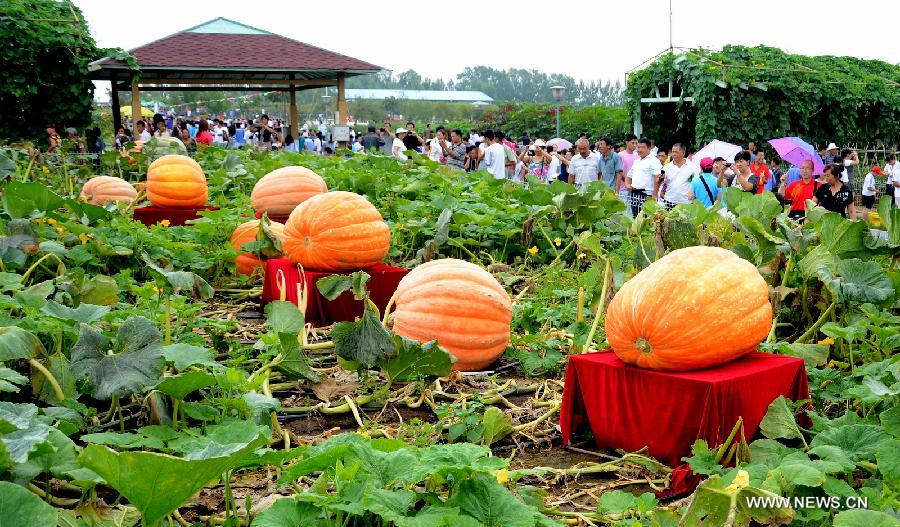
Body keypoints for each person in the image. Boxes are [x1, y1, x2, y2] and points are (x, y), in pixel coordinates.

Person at [625, 138, 662, 216]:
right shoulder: (637, 161)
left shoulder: (654, 161)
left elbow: (657, 178)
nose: (639, 150)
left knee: (647, 222)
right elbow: (628, 176)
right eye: (638, 147)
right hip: (634, 194)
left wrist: (654, 196)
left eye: (642, 147)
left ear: (649, 148)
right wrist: (627, 185)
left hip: (647, 196)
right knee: (636, 220)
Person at [659, 143, 699, 208]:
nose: (673, 154)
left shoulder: (692, 167)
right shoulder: (666, 167)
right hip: (670, 201)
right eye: (672, 152)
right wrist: (661, 179)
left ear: (683, 153)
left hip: (686, 202)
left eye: (676, 152)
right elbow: (660, 183)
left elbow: (695, 183)